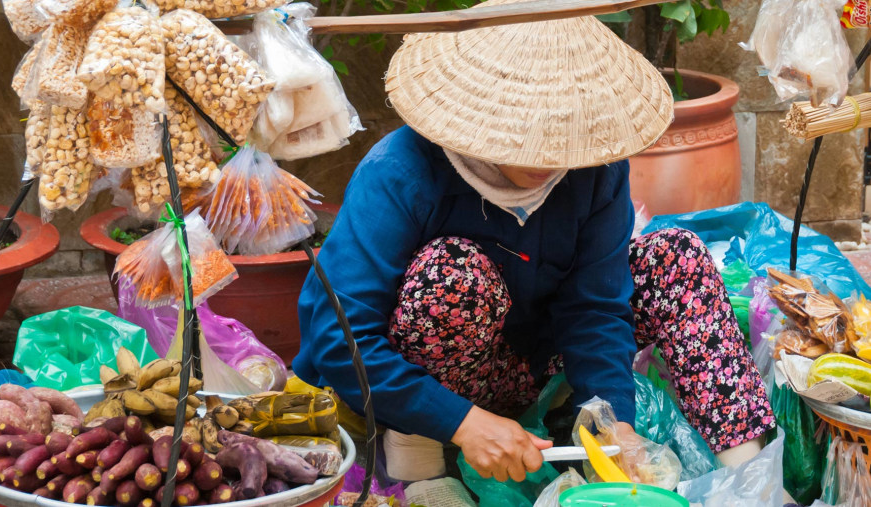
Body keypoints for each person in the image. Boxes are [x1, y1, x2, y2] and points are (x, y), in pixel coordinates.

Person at [295, 0, 775, 484]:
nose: (546, 156)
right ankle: (419, 446)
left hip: (537, 361)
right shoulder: (400, 172)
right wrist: (461, 422)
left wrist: (614, 421)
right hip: (430, 376)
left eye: (560, 136)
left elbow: (596, 308)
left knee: (677, 255)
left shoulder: (595, 169)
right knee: (452, 272)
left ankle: (748, 472)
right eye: (526, 135)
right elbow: (340, 338)